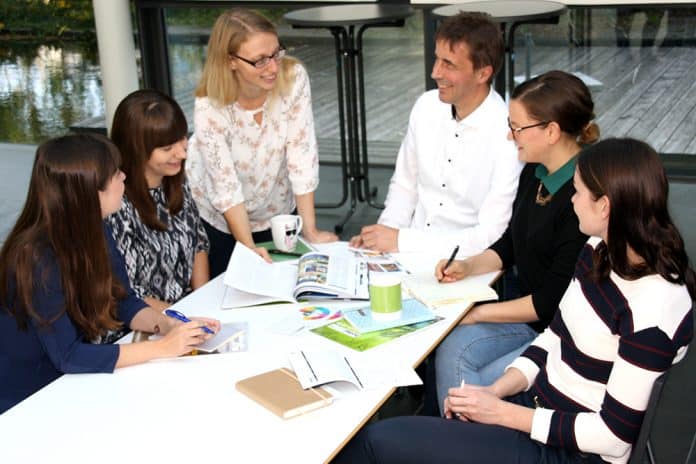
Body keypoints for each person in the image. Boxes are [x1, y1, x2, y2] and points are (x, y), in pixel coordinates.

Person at [334, 137, 694, 464]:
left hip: (570, 452)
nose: (571, 199)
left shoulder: (654, 308)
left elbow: (613, 438)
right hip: (537, 412)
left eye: (579, 192)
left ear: (605, 207)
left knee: (375, 444)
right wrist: (495, 390)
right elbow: (553, 338)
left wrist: (500, 413)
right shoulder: (598, 250)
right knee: (389, 440)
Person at [0, 134, 220, 414]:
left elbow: (123, 301)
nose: (124, 177)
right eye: (115, 174)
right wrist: (163, 348)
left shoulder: (95, 227)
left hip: (72, 382)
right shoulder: (36, 259)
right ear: (91, 192)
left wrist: (167, 325)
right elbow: (68, 356)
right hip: (28, 398)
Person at [433, 71, 599, 411]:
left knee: (465, 367)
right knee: (454, 352)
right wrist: (468, 265)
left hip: (560, 333)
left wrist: (475, 314)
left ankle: (463, 440)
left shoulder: (584, 201)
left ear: (551, 131)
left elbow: (548, 303)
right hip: (531, 321)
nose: (511, 137)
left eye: (517, 128)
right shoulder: (535, 172)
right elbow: (510, 244)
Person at [349, 12, 521, 256]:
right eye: (437, 59)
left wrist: (402, 241)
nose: (435, 72)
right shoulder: (426, 106)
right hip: (404, 253)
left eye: (448, 64)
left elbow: (490, 233)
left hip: (463, 264)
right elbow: (404, 186)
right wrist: (382, 236)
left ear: (483, 73)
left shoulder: (508, 133)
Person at [187, 8, 337, 277]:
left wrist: (310, 230)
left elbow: (301, 154)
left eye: (276, 53)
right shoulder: (209, 105)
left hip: (278, 211)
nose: (273, 68)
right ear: (231, 60)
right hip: (221, 218)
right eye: (259, 61)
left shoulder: (293, 78)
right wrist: (247, 247)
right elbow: (225, 187)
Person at [106, 89, 210, 313]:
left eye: (182, 139)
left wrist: (203, 304)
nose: (182, 153)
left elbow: (198, 244)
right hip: (144, 323)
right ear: (136, 149)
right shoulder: (115, 205)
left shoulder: (175, 180)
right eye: (167, 148)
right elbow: (127, 294)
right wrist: (183, 318)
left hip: (186, 311)